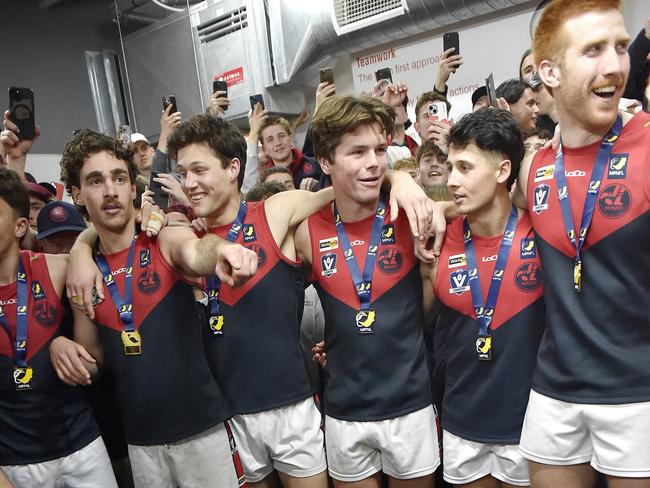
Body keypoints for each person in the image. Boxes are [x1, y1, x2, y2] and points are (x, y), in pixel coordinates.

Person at [58, 129, 258, 488]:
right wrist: (62, 350)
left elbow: (196, 251)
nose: (110, 190)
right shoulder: (83, 275)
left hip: (203, 430)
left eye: (119, 178)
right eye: (95, 180)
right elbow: (93, 358)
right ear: (77, 194)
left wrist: (223, 252)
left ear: (133, 189)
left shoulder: (162, 237)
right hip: (141, 442)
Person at [511, 1, 650, 486]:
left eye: (619, 46)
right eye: (593, 50)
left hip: (638, 394)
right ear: (548, 71)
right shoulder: (535, 167)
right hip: (555, 391)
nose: (615, 64)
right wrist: (400, 187)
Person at [167, 113, 333, 488]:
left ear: (233, 168)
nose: (189, 184)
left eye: (199, 170)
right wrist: (81, 246)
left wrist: (400, 179)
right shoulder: (187, 240)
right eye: (183, 173)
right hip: (230, 415)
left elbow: (347, 187)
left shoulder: (274, 212)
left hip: (290, 407)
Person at [295, 95, 440, 487]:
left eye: (379, 150)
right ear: (325, 161)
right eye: (357, 152)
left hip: (410, 407)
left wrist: (404, 178)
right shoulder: (306, 232)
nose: (373, 162)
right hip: (345, 410)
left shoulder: (412, 215)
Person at [422, 108, 545, 487]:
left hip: (531, 426)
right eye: (450, 167)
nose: (452, 180)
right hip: (463, 423)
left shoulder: (542, 233)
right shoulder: (436, 240)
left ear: (503, 171)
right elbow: (415, 325)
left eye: (465, 168)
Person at [0, 167, 118, 488]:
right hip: (14, 460)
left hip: (81, 444)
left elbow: (93, 368)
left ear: (21, 226)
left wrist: (80, 251)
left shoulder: (57, 269)